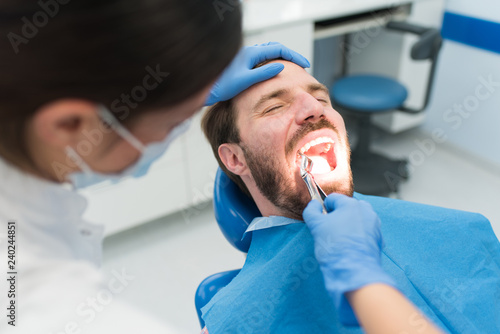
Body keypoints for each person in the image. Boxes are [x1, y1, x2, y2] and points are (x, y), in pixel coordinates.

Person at [0, 1, 311, 333]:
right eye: (175, 121)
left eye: (321, 98)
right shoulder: (37, 302)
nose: (312, 110)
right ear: (69, 124)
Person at [200, 59, 500, 333]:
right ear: (236, 159)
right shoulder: (237, 320)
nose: (315, 109)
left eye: (321, 98)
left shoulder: (459, 229)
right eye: (274, 107)